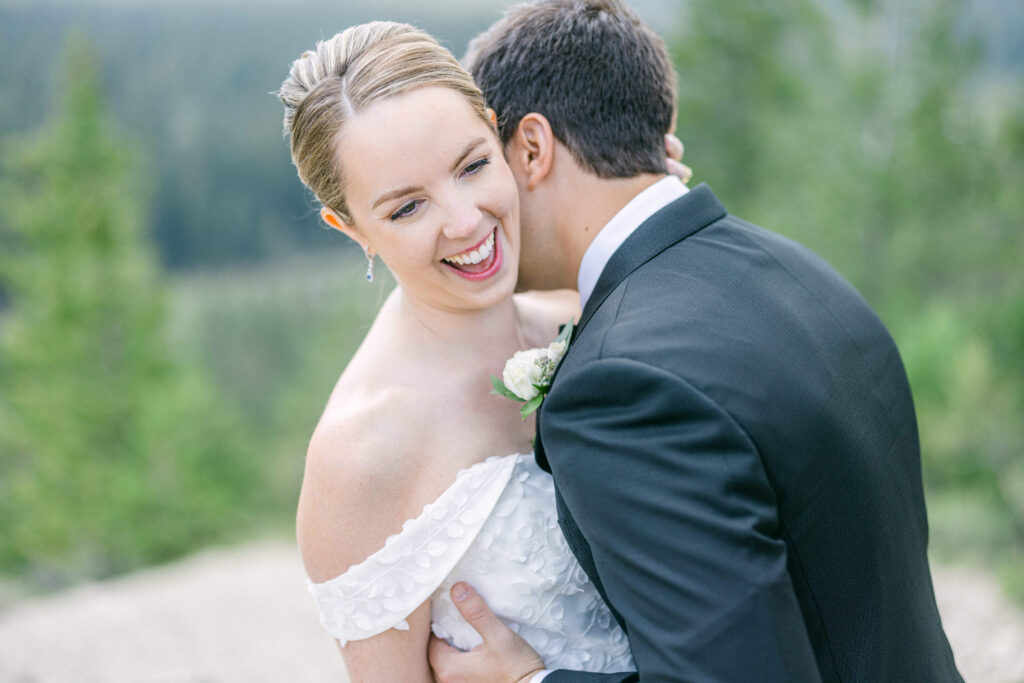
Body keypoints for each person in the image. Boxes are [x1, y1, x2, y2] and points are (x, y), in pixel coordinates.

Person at [427, 1, 964, 682]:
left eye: (478, 165)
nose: (477, 208)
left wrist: (529, 682)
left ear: (532, 149)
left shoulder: (617, 387)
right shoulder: (804, 273)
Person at [277, 20, 689, 681]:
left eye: (471, 165)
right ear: (351, 228)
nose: (465, 221)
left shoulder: (586, 310)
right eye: (407, 208)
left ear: (500, 137)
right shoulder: (363, 450)